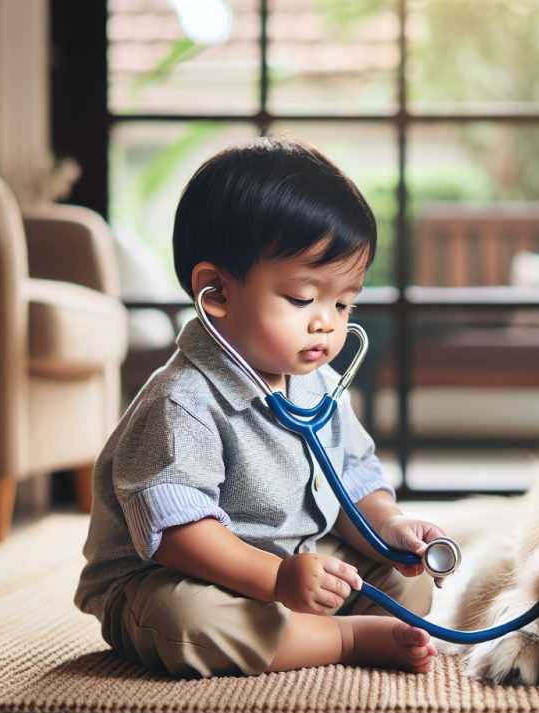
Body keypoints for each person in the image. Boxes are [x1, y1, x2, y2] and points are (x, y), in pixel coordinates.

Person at [74, 136, 443, 679]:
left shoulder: (316, 382)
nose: (327, 322)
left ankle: (299, 630)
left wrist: (389, 529)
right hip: (175, 576)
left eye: (344, 302)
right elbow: (179, 538)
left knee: (405, 582)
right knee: (185, 620)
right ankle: (341, 639)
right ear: (216, 292)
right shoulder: (183, 401)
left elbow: (352, 481)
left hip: (293, 560)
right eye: (302, 299)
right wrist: (276, 581)